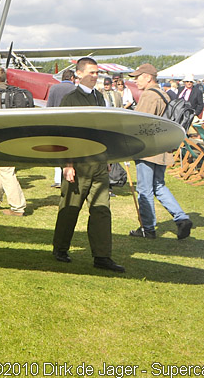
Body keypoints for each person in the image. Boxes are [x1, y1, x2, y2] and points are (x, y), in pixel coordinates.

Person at [51, 57, 124, 273]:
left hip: (99, 163)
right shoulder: (70, 99)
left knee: (102, 209)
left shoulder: (100, 98)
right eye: (91, 72)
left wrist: (108, 158)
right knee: (70, 208)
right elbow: (65, 133)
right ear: (79, 73)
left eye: (97, 72)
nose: (95, 76)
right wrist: (68, 164)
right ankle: (60, 248)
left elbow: (103, 130)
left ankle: (102, 256)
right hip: (78, 163)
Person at [127, 63, 192, 239]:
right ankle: (181, 218)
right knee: (159, 186)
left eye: (138, 77)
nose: (136, 80)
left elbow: (138, 123)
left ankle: (148, 229)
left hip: (148, 149)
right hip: (162, 148)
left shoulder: (149, 95)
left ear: (148, 77)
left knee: (145, 189)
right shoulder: (163, 93)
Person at [0, 68, 26, 216]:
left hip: (0, 139)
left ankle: (17, 207)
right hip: (17, 136)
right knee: (3, 168)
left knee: (7, 170)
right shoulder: (16, 93)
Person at [46, 68, 76, 188]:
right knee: (70, 150)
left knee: (58, 150)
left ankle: (58, 179)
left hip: (56, 124)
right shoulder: (75, 89)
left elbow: (49, 107)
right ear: (72, 78)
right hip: (71, 124)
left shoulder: (53, 88)